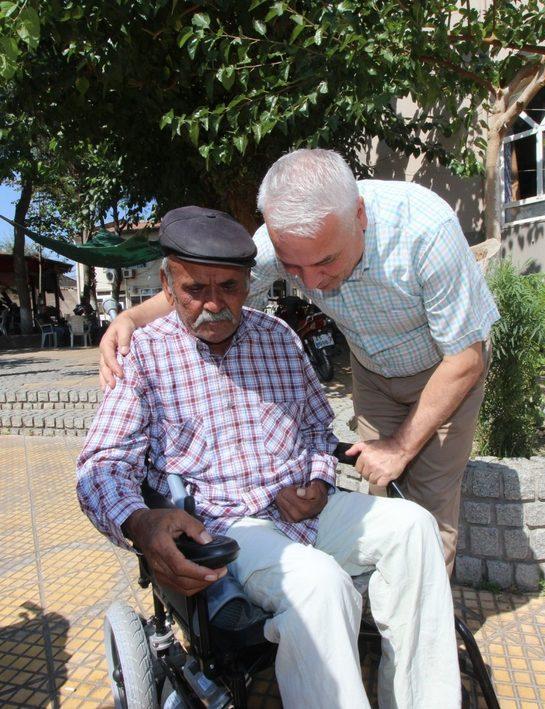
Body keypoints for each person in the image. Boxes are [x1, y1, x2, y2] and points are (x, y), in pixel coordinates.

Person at [78, 206, 460, 708]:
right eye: (196, 290)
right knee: (322, 586)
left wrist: (321, 481)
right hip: (230, 528)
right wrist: (141, 522)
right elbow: (101, 465)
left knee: (414, 527)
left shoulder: (278, 338)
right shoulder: (145, 356)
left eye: (230, 288)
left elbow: (316, 428)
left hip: (307, 509)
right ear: (168, 287)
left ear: (248, 283)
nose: (214, 305)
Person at [98, 149, 500, 575]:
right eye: (293, 267)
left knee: (429, 511)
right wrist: (129, 317)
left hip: (445, 371)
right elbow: (206, 286)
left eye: (325, 261)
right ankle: (375, 618)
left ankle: (428, 624)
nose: (310, 283)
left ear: (358, 216)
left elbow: (466, 357)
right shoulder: (280, 239)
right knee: (380, 493)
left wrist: (400, 447)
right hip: (373, 371)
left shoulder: (425, 230)